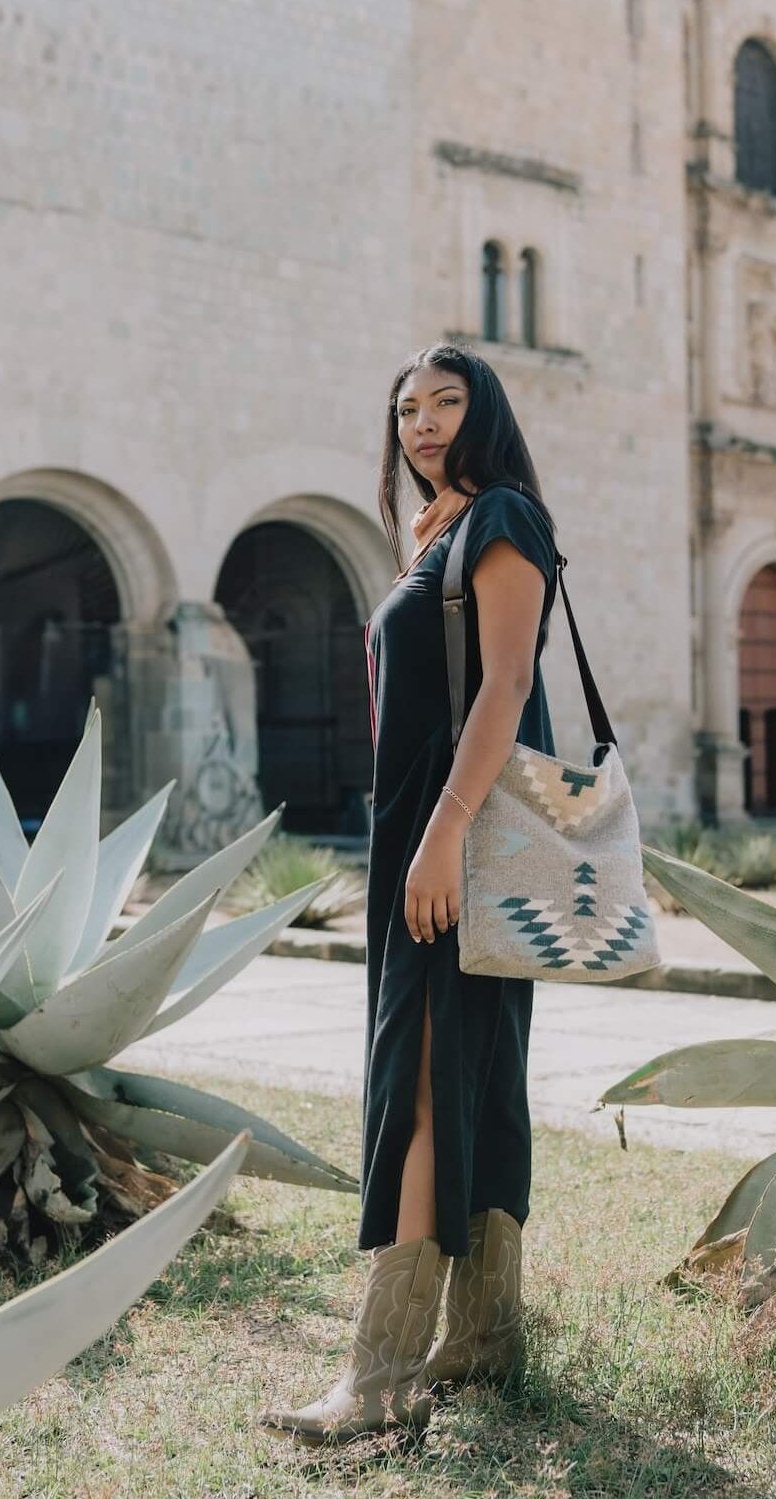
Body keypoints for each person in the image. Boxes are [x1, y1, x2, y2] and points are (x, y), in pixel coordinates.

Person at [260, 344, 558, 1444]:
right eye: (406, 409)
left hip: (458, 844)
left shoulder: (503, 520)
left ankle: (378, 1382)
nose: (423, 423)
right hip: (428, 845)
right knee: (466, 1073)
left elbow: (510, 683)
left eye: (445, 401)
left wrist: (441, 833)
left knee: (423, 1084)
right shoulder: (432, 531)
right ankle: (481, 1336)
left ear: (485, 408)